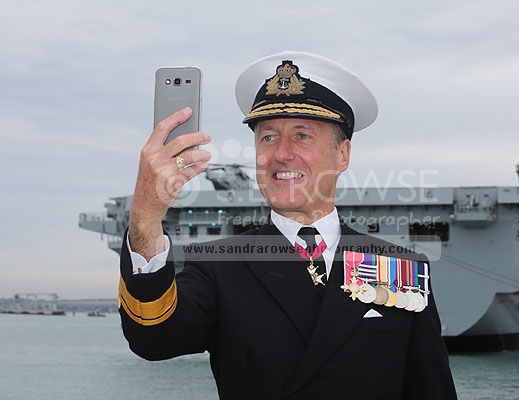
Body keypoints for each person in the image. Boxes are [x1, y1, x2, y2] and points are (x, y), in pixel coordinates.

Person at [119, 51, 458, 399]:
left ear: (342, 154)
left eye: (302, 136)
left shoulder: (400, 269)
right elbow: (153, 339)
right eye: (268, 138)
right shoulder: (218, 266)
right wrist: (145, 216)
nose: (281, 154)